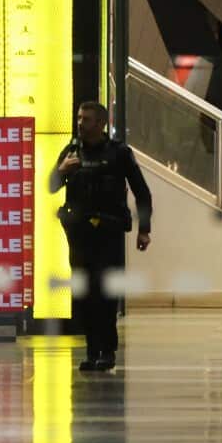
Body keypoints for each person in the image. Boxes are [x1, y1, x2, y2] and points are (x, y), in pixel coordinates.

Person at [50, 102, 152, 372]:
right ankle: (92, 350)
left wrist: (145, 229)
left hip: (108, 232)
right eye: (79, 118)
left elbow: (142, 191)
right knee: (84, 294)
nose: (80, 123)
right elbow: (50, 186)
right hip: (79, 234)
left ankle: (107, 351)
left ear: (101, 124)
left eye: (87, 119)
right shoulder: (72, 151)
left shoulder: (119, 153)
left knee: (107, 294)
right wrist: (62, 172)